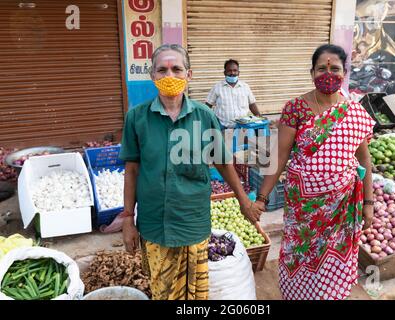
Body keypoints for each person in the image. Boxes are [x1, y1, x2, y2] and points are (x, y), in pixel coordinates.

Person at [119, 44, 262, 300]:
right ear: (152, 75)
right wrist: (128, 218)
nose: (169, 76)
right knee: (162, 291)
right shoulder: (136, 118)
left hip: (193, 221)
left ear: (189, 74)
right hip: (154, 223)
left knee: (194, 294)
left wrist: (244, 202)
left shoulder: (204, 116)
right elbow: (132, 170)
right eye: (162, 70)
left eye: (177, 69)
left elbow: (223, 162)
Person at [254, 44, 376, 300]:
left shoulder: (354, 111)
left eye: (334, 68)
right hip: (304, 208)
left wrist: (368, 202)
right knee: (302, 252)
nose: (328, 73)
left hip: (342, 206)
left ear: (344, 73)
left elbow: (364, 157)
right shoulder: (296, 108)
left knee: (334, 256)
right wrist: (262, 198)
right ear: (312, 73)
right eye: (322, 68)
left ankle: (329, 295)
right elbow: (280, 155)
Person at [205, 59, 262, 129]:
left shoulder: (245, 87)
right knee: (221, 140)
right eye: (229, 70)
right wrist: (209, 121)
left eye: (235, 70)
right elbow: (207, 106)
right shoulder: (217, 87)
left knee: (242, 140)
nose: (232, 73)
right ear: (224, 73)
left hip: (243, 127)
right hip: (222, 127)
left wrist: (259, 117)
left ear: (238, 72)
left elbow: (252, 104)